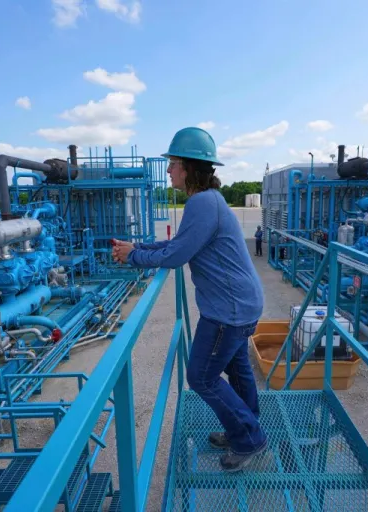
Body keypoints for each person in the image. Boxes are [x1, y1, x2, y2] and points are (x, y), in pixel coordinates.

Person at [112, 127, 268, 472]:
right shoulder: (208, 202)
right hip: (242, 304)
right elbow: (177, 245)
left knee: (201, 377)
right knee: (237, 369)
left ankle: (249, 437)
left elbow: (176, 255)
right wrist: (137, 248)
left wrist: (134, 257)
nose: (168, 170)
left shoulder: (201, 203)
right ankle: (244, 425)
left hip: (228, 310)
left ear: (190, 168)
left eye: (173, 163)